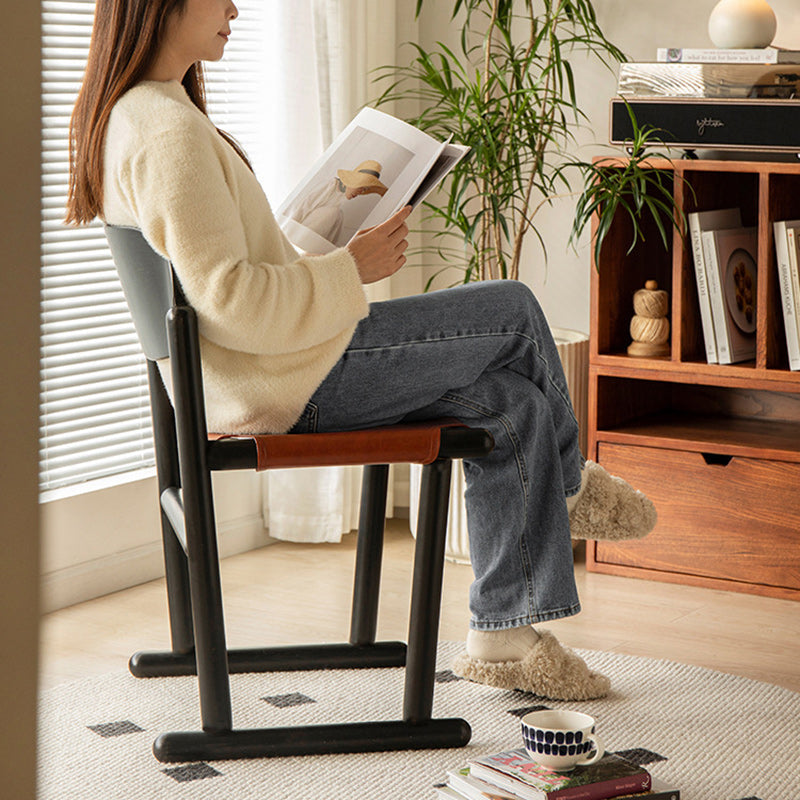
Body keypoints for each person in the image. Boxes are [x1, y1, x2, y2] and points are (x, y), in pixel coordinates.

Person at [66, 0, 656, 701]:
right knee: (515, 309)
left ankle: (506, 634)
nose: (233, 10)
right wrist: (353, 269)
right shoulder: (168, 132)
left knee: (514, 404)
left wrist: (321, 247)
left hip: (269, 373)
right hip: (285, 381)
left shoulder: (140, 114)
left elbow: (223, 283)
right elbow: (232, 301)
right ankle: (570, 490)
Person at [289, 160, 389, 247]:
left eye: (365, 189)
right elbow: (305, 205)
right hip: (298, 233)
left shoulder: (339, 208)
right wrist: (290, 230)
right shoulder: (331, 185)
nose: (361, 192)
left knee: (338, 215)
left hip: (312, 244)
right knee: (334, 213)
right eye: (361, 187)